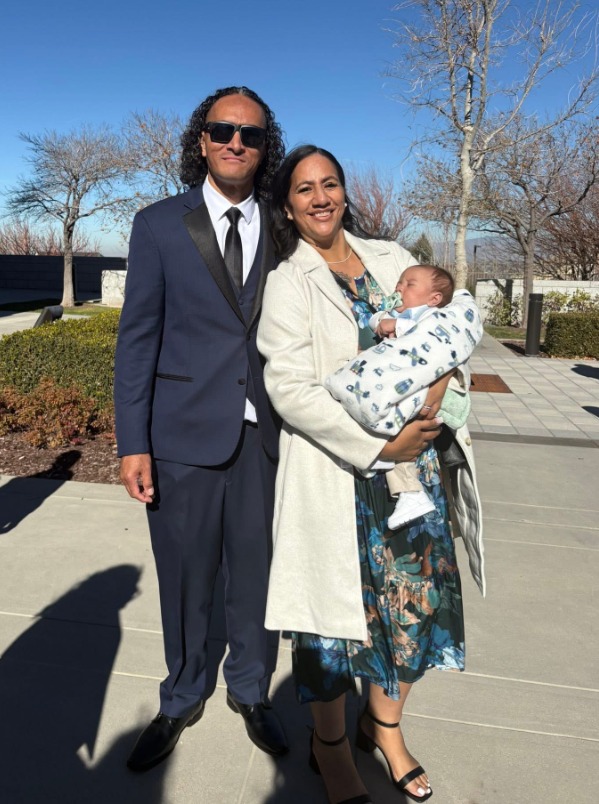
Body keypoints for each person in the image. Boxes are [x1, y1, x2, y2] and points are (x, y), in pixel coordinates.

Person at [257, 145, 484, 804]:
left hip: (413, 474)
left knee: (413, 610)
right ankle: (328, 746)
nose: (321, 197)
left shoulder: (391, 259)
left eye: (330, 184)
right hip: (340, 472)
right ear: (288, 204)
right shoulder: (286, 280)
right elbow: (289, 390)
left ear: (344, 192)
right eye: (304, 189)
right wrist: (376, 448)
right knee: (331, 628)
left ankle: (382, 728)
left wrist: (440, 392)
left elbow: (453, 331)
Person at [113, 86, 288, 773]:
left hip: (269, 436)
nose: (235, 143)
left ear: (263, 147)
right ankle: (182, 693)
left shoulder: (285, 221)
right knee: (185, 576)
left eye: (249, 134)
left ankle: (250, 689)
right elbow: (137, 339)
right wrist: (134, 441)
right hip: (181, 433)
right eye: (222, 131)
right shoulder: (158, 224)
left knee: (257, 575)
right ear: (201, 141)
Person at [353, 264, 472, 529]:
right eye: (399, 282)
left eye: (409, 284)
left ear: (434, 299)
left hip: (417, 388)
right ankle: (402, 487)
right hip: (399, 383)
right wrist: (383, 319)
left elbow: (433, 339)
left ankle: (410, 493)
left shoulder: (432, 316)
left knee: (395, 433)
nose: (399, 287)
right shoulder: (400, 311)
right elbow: (376, 320)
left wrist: (398, 324)